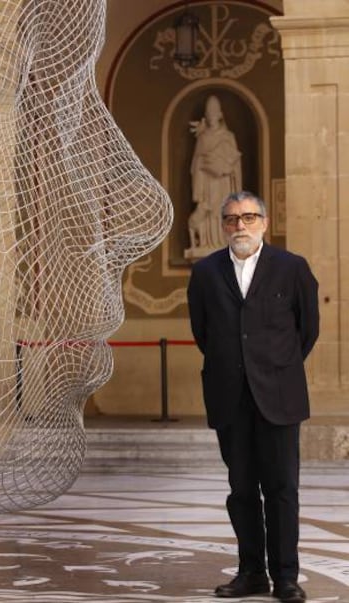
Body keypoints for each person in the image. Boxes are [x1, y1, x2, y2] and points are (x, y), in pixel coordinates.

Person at [187, 191, 319, 603]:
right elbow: (202, 331)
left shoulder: (292, 268)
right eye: (231, 219)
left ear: (264, 222)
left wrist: (272, 367)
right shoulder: (206, 271)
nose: (239, 226)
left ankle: (286, 578)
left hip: (278, 395)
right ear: (223, 225)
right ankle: (250, 574)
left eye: (248, 217)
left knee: (282, 488)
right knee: (241, 488)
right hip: (230, 396)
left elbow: (307, 330)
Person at [187, 95, 242, 251]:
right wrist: (205, 165)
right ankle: (206, 242)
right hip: (207, 184)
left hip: (224, 183)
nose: (211, 116)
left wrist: (227, 167)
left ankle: (225, 242)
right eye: (209, 112)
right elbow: (195, 164)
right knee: (208, 211)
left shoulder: (228, 137)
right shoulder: (202, 138)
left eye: (214, 112)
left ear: (220, 115)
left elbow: (236, 162)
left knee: (223, 209)